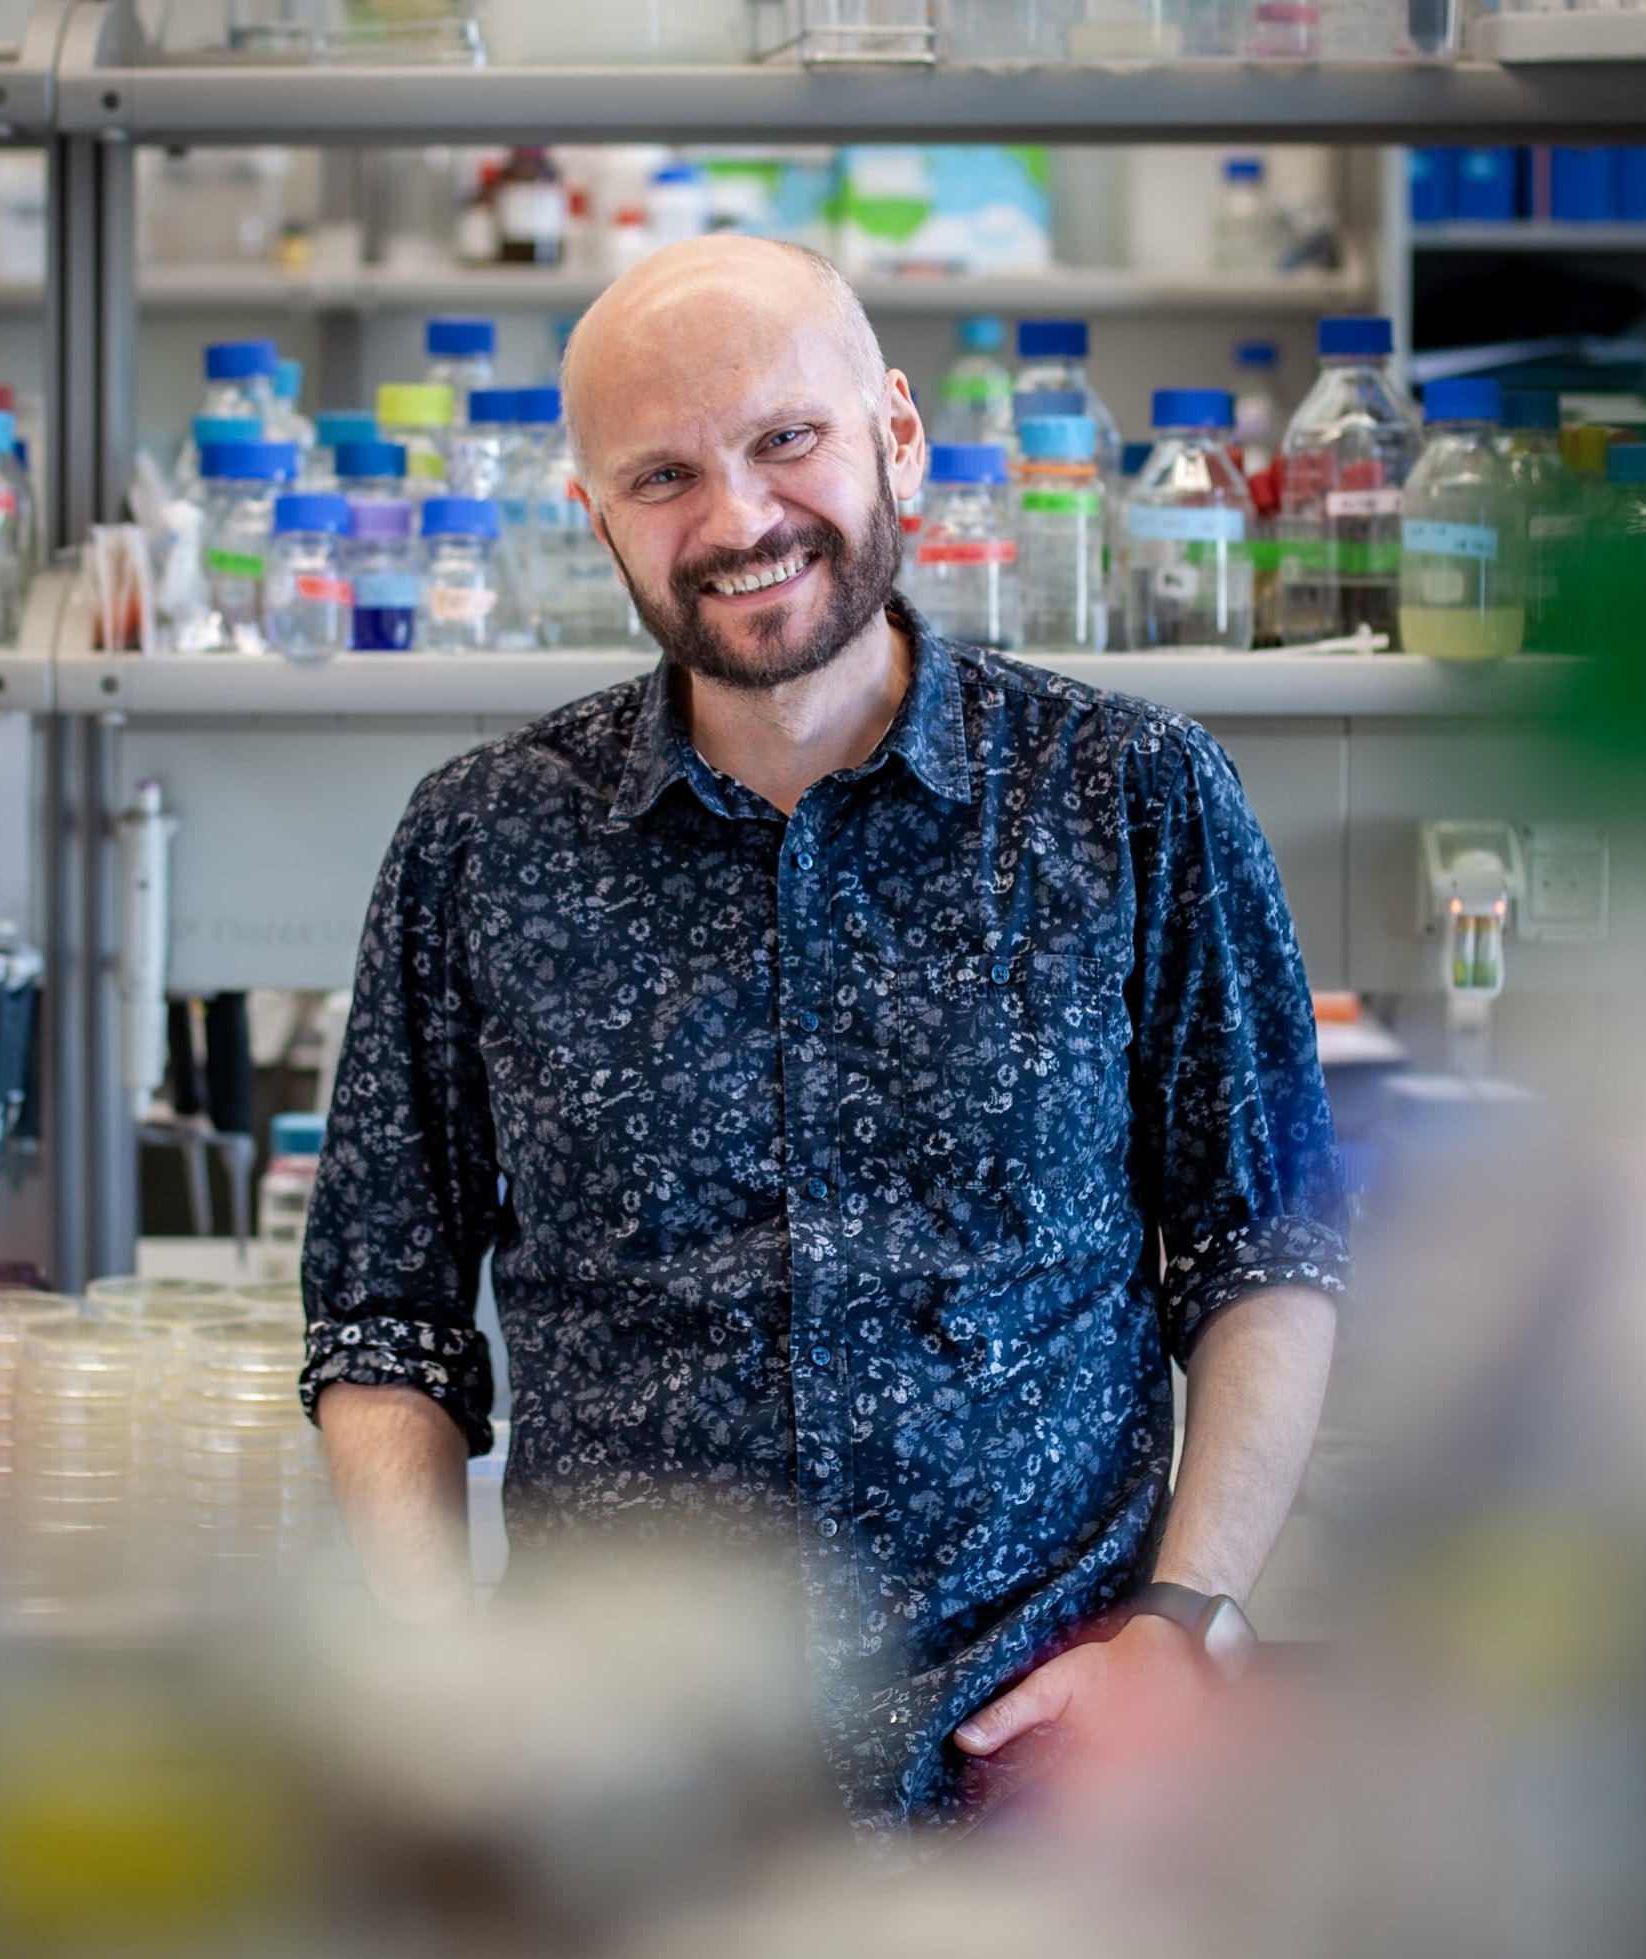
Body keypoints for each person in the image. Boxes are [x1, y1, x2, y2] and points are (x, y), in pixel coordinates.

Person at [301, 236, 1346, 1842]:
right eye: (662, 475)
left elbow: (1264, 1247)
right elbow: (386, 1315)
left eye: (785, 438)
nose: (737, 520)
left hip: (1048, 1789)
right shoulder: (481, 841)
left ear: (897, 436)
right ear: (594, 517)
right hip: (615, 1803)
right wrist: (449, 1678)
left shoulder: (1132, 798)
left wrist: (1180, 1621)